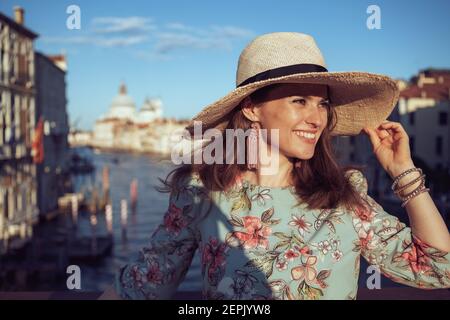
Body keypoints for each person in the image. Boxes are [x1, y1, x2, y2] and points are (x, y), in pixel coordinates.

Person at [102, 32, 450, 300]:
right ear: (252, 109)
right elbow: (146, 282)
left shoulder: (345, 197)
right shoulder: (201, 193)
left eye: (322, 104)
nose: (316, 118)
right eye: (299, 101)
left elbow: (440, 267)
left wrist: (403, 173)